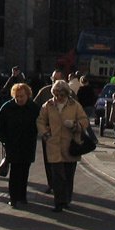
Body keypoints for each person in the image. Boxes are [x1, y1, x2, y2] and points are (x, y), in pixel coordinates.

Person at [36, 79, 88, 213]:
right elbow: (40, 121)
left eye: (62, 95)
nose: (58, 97)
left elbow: (84, 120)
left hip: (70, 146)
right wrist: (46, 135)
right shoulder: (48, 105)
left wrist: (75, 125)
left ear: (67, 94)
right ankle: (58, 202)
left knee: (68, 176)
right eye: (56, 95)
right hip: (54, 145)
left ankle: (66, 200)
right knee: (58, 176)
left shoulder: (75, 105)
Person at [0, 82, 40, 208]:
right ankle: (14, 198)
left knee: (24, 171)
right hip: (12, 144)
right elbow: (0, 127)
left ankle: (22, 196)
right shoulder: (7, 107)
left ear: (28, 95)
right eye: (17, 97)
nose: (20, 99)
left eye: (22, 96)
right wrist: (4, 141)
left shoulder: (34, 108)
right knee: (15, 172)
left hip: (28, 144)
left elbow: (40, 123)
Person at [34, 69, 66, 194]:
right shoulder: (45, 91)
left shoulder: (69, 93)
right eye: (53, 79)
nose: (54, 81)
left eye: (57, 79)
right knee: (49, 160)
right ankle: (52, 184)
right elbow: (35, 107)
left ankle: (62, 186)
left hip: (64, 134)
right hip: (48, 133)